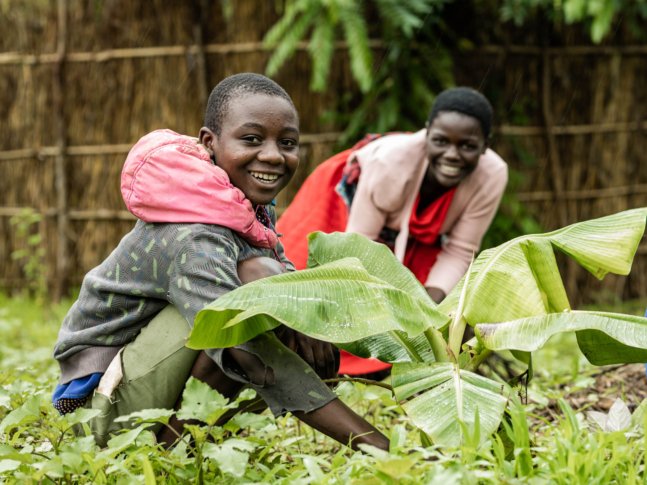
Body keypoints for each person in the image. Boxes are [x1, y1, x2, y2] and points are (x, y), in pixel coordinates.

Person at [52, 73, 389, 451]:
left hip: (142, 379)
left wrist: (306, 324)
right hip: (98, 414)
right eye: (251, 139)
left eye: (288, 142)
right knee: (244, 309)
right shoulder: (194, 233)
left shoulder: (240, 203)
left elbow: (281, 282)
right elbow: (247, 345)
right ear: (210, 143)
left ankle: (180, 443)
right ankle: (171, 452)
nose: (274, 155)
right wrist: (375, 444)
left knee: (266, 288)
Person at [276, 87, 508, 376]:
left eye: (467, 146)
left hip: (418, 238)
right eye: (441, 141)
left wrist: (425, 308)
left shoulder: (492, 175)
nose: (452, 155)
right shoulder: (390, 164)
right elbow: (358, 246)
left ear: (485, 145)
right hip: (348, 207)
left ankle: (383, 363)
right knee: (313, 287)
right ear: (426, 135)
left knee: (428, 304)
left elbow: (460, 249)